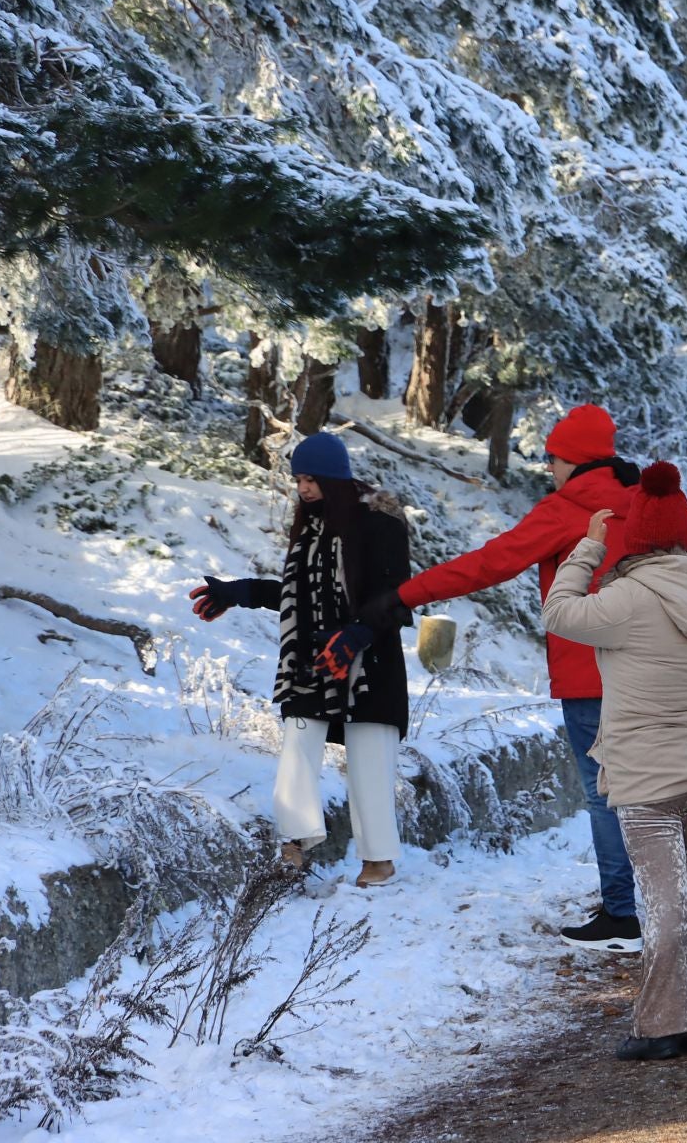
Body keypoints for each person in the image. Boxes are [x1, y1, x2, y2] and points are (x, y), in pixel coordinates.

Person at [357, 405, 643, 952]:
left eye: (552, 460)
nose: (549, 471)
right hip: (657, 669)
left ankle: (624, 915)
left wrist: (401, 595)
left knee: (607, 793)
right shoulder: (650, 500)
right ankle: (665, 900)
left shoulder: (571, 508)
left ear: (573, 460)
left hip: (592, 673)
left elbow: (492, 562)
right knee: (656, 791)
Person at [542, 463, 687, 1061]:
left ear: (635, 540)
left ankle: (663, 1025)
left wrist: (588, 547)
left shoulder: (624, 599)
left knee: (663, 899)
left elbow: (557, 613)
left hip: (646, 776)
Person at [188, 432, 412, 889]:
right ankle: (294, 846)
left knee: (369, 761)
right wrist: (241, 592)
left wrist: (357, 635)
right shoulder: (310, 529)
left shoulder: (380, 526)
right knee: (296, 748)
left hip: (370, 663)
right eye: (299, 479)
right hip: (312, 662)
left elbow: (396, 599)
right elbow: (299, 596)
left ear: (335, 478)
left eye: (312, 479)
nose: (304, 488)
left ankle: (379, 862)